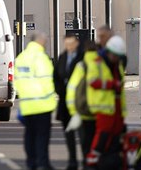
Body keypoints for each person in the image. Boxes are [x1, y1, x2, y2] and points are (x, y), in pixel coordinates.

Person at [14, 32, 56, 170]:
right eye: (44, 41)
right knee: (42, 137)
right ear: (39, 41)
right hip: (42, 104)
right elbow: (47, 81)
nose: (46, 43)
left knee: (30, 135)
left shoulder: (21, 57)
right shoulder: (41, 57)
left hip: (27, 104)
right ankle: (43, 164)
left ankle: (31, 163)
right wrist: (52, 98)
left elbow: (17, 81)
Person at [85, 36, 127, 170]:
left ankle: (112, 159)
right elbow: (92, 81)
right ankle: (93, 159)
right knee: (103, 133)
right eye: (116, 56)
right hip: (105, 106)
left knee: (116, 134)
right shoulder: (97, 63)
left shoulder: (117, 64)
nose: (117, 59)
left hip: (117, 107)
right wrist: (112, 84)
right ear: (109, 52)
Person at [65, 40, 99, 169]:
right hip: (100, 114)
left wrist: (74, 112)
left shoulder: (81, 66)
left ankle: (87, 165)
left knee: (85, 147)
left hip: (83, 114)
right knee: (98, 147)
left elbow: (72, 89)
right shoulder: (103, 65)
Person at [53, 35, 82, 170]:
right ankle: (72, 160)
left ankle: (87, 160)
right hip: (65, 103)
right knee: (68, 133)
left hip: (80, 103)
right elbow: (56, 77)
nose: (69, 45)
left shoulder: (83, 57)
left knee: (83, 135)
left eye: (71, 43)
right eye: (66, 43)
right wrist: (60, 91)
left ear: (76, 43)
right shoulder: (63, 57)